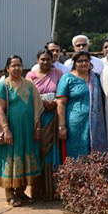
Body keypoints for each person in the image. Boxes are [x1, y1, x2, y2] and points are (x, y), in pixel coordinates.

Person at [0, 56, 42, 207]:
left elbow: (37, 108)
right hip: (11, 130)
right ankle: (10, 195)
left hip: (27, 130)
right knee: (10, 158)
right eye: (13, 66)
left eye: (19, 65)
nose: (17, 68)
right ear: (7, 68)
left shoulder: (29, 85)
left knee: (26, 158)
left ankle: (20, 192)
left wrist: (37, 128)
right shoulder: (3, 86)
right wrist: (6, 130)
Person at [25, 48, 64, 201]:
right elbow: (28, 96)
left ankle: (53, 189)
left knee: (52, 151)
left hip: (54, 115)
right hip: (38, 116)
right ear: (37, 60)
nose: (46, 62)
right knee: (39, 150)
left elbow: (62, 94)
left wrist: (53, 103)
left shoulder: (58, 74)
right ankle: (39, 191)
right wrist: (43, 103)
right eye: (42, 59)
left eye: (48, 59)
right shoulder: (31, 76)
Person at [56, 50, 108, 160]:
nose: (83, 63)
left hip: (96, 123)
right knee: (76, 151)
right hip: (75, 123)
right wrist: (62, 126)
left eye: (86, 61)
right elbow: (61, 103)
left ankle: (95, 176)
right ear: (74, 63)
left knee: (96, 154)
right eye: (80, 61)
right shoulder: (67, 78)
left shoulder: (97, 78)